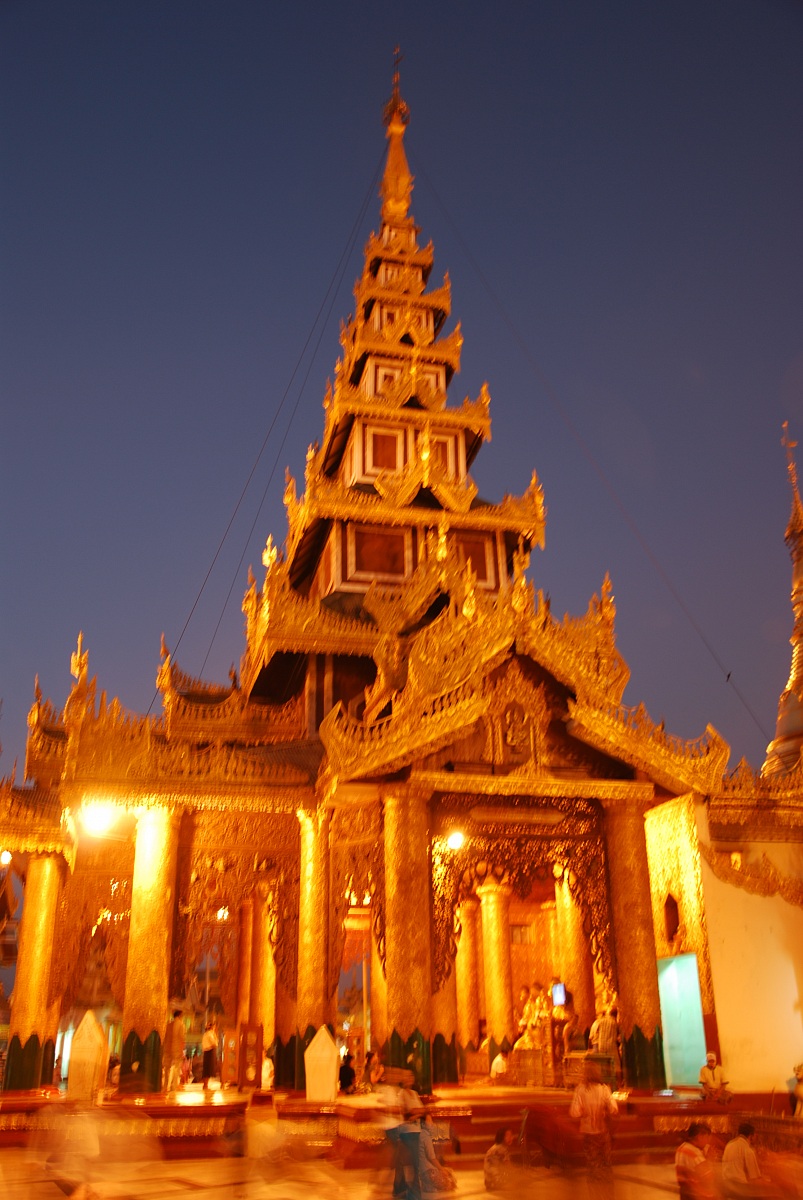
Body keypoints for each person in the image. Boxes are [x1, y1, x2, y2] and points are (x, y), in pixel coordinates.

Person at [569, 1059, 618, 1198]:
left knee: (592, 1165)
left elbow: (574, 1112)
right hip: (603, 1132)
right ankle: (609, 1194)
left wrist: (585, 1112)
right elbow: (614, 1109)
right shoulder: (604, 1089)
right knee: (606, 1163)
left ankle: (594, 1194)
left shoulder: (581, 1090)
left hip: (589, 1133)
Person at [721, 1123, 780, 1199]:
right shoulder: (747, 1150)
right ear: (751, 1135)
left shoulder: (729, 1145)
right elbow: (754, 1178)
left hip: (726, 1187)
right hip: (739, 1189)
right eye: (755, 1135)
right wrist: (772, 1185)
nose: (755, 1137)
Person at [418, 1110, 457, 1192]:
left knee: (449, 1172)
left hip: (423, 1171)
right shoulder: (425, 1137)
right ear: (423, 1124)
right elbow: (431, 1158)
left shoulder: (420, 1134)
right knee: (451, 1183)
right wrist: (442, 1170)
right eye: (429, 1121)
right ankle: (430, 1186)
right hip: (428, 1172)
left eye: (431, 1120)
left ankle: (429, 1185)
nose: (431, 1123)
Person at [675, 1122, 715, 1200]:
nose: (707, 1142)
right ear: (700, 1136)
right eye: (707, 1138)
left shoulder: (681, 1148)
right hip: (697, 1195)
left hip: (685, 1192)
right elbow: (708, 1177)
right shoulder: (694, 1153)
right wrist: (710, 1160)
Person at [484, 1126, 515, 1191]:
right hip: (496, 1181)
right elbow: (508, 1166)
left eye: (511, 1135)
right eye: (508, 1136)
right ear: (501, 1137)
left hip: (488, 1182)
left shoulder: (496, 1147)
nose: (511, 1138)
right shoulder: (502, 1149)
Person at [164, 1009, 185, 1092]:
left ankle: (165, 1085)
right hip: (176, 1048)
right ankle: (173, 1086)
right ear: (179, 1015)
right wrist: (182, 1049)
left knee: (167, 1068)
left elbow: (165, 1037)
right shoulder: (181, 1024)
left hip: (167, 1048)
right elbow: (182, 1038)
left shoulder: (169, 1025)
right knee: (176, 1067)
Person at [201, 1020, 218, 1092]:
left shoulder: (205, 1034)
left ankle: (205, 1085)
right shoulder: (210, 1034)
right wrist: (215, 1035)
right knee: (208, 1069)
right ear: (212, 1027)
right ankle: (205, 1085)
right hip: (209, 1052)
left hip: (206, 1052)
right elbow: (215, 1043)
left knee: (206, 1069)